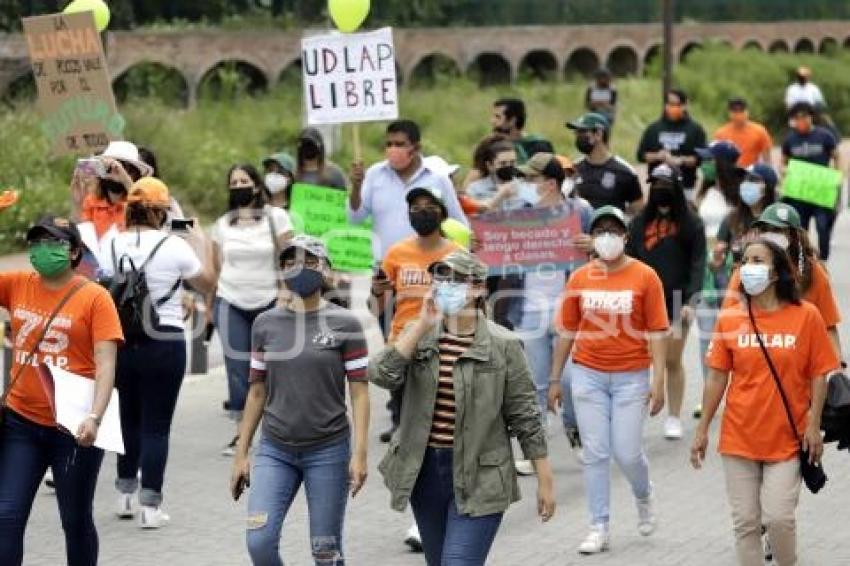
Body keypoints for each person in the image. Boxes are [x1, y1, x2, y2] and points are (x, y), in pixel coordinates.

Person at [370, 249, 556, 565]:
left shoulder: (504, 344)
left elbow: (525, 415)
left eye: (458, 279)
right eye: (441, 278)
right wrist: (420, 325)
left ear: (479, 288)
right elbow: (380, 374)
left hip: (480, 476)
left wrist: (545, 480)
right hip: (425, 471)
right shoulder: (419, 334)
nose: (448, 286)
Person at [691, 238, 837, 566]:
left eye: (757, 260)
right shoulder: (730, 318)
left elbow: (818, 374)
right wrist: (701, 430)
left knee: (779, 519)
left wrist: (813, 425)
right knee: (745, 524)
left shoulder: (806, 316)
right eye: (744, 261)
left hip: (787, 438)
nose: (747, 267)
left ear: (776, 272)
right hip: (739, 437)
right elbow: (716, 378)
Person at [230, 236, 370, 566]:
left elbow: (360, 393)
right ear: (281, 270)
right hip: (275, 449)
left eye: (310, 261)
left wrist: (360, 455)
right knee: (259, 543)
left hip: (328, 450)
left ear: (327, 271)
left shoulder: (345, 324)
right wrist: (241, 455)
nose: (301, 269)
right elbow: (256, 392)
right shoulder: (265, 324)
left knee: (325, 551)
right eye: (291, 261)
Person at [0, 214, 123, 566]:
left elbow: (106, 363)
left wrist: (95, 416)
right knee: (6, 515)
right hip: (21, 423)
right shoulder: (17, 284)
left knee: (75, 519)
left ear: (73, 253)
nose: (42, 250)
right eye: (36, 243)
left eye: (53, 243)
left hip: (75, 429)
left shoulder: (95, 298)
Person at [549, 205, 669, 555]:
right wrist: (556, 378)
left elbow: (658, 330)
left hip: (632, 377)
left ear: (625, 237)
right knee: (596, 454)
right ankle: (598, 525)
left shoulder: (645, 277)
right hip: (588, 375)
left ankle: (644, 495)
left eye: (613, 230)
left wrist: (658, 379)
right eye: (600, 230)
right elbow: (567, 330)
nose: (607, 237)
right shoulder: (580, 278)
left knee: (628, 452)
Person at [104, 177, 216, 528]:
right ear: (162, 211)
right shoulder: (173, 245)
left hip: (120, 342)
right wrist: (197, 237)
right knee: (156, 427)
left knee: (127, 420)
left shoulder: (110, 242)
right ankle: (150, 508)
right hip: (164, 341)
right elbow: (208, 282)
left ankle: (123, 494)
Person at [371, 186, 461, 550]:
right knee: (410, 436)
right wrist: (377, 290)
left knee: (437, 436)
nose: (422, 211)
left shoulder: (456, 255)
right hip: (405, 353)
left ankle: (434, 516)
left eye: (429, 206)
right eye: (415, 206)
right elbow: (378, 307)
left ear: (441, 212)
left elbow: (472, 306)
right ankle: (422, 515)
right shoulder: (397, 253)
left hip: (443, 353)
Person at [514, 152, 592, 464]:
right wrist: (483, 245)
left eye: (530, 179)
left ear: (549, 183)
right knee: (536, 383)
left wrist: (594, 245)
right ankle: (536, 451)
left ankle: (575, 431)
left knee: (572, 380)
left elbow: (611, 244)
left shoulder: (580, 211)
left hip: (568, 308)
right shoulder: (518, 215)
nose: (524, 184)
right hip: (530, 308)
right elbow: (494, 246)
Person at [211, 164, 294, 455]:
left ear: (257, 186)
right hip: (231, 300)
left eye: (243, 180)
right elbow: (217, 265)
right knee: (238, 369)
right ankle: (241, 435)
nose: (238, 186)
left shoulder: (276, 218)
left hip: (270, 301)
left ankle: (276, 429)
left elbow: (290, 257)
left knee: (272, 369)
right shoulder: (222, 224)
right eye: (233, 182)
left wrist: (287, 291)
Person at [626, 165, 706, 439]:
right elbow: (629, 257)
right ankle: (635, 416)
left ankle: (673, 416)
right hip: (642, 300)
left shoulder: (692, 223)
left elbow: (698, 264)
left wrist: (691, 301)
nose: (660, 193)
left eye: (666, 186)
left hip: (677, 300)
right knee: (641, 358)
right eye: (655, 185)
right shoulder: (639, 222)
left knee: (672, 359)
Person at [722, 202, 842, 362]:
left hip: (800, 366)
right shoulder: (746, 270)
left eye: (778, 230)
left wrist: (838, 369)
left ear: (794, 235)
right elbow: (726, 322)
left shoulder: (812, 272)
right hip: (754, 364)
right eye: (765, 230)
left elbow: (828, 325)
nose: (770, 235)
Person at [347, 119, 468, 264]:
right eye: (389, 144)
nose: (392, 149)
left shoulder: (437, 180)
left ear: (416, 148)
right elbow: (354, 218)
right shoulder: (374, 174)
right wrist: (356, 187)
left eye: (399, 144)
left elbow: (459, 226)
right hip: (385, 268)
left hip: (426, 268)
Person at [780, 102, 841, 260]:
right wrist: (784, 171)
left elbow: (836, 155)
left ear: (811, 117)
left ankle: (823, 259)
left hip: (821, 191)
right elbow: (783, 161)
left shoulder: (825, 136)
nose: (801, 120)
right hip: (799, 193)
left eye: (804, 116)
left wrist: (837, 175)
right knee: (801, 229)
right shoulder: (790, 139)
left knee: (822, 226)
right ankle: (804, 260)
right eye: (798, 118)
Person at [637, 89, 708, 203]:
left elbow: (700, 158)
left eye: (677, 105)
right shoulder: (654, 128)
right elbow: (641, 155)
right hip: (658, 187)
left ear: (685, 105)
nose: (673, 108)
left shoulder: (695, 129)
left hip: (685, 186)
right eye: (670, 104)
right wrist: (658, 156)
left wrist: (680, 160)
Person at [567, 112, 643, 213]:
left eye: (582, 131)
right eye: (576, 132)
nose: (577, 136)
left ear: (598, 134)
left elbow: (638, 210)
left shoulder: (625, 172)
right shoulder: (573, 169)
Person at [77, 140, 154, 239]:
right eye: (108, 168)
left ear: (135, 174)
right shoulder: (92, 202)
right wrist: (77, 203)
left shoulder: (137, 204)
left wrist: (125, 180)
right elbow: (83, 236)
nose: (115, 173)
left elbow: (149, 217)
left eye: (127, 168)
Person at [713, 98, 773, 168]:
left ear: (747, 112)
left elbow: (767, 159)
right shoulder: (721, 133)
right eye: (735, 111)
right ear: (729, 113)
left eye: (741, 110)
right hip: (729, 173)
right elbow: (715, 157)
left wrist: (767, 174)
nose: (738, 114)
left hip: (750, 173)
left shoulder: (759, 131)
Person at [490, 97, 551, 164]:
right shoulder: (492, 145)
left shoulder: (539, 146)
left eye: (497, 117)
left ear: (512, 120)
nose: (492, 121)